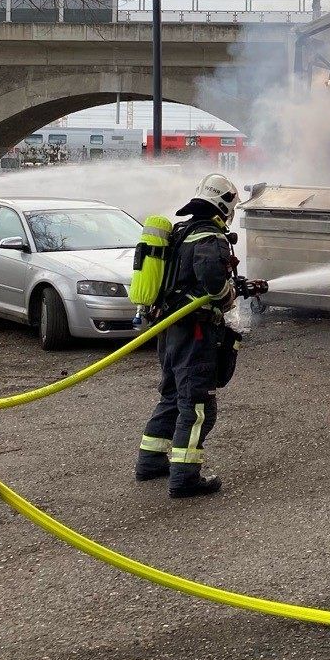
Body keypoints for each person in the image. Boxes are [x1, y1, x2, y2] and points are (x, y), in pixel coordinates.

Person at [135, 173, 245, 498]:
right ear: (224, 205)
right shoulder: (211, 236)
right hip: (195, 330)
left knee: (172, 395)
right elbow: (211, 278)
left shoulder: (183, 231)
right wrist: (228, 298)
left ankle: (151, 461)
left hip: (170, 329)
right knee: (198, 406)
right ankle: (185, 478)